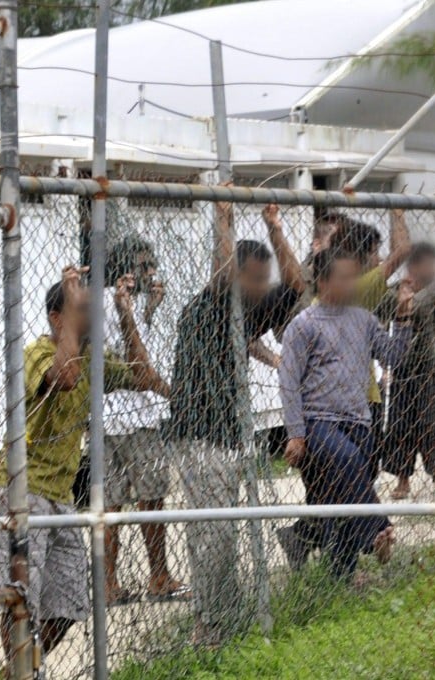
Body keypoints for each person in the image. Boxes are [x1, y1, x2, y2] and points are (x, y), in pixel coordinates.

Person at [0, 264, 168, 662]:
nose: (92, 317)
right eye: (81, 310)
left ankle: (18, 671)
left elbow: (142, 375)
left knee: (70, 602)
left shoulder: (93, 356)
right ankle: (21, 671)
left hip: (60, 494)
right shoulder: (37, 352)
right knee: (22, 600)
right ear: (58, 318)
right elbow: (65, 376)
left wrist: (125, 314)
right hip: (20, 490)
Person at [166, 201, 305, 647]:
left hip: (230, 434)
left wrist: (275, 228)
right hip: (199, 437)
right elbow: (222, 272)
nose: (265, 287)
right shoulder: (212, 305)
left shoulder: (248, 308)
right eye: (257, 278)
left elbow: (299, 285)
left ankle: (224, 617)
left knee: (224, 535)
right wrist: (223, 219)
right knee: (210, 537)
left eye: (266, 280)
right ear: (238, 274)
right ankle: (208, 626)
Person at [277, 209, 410, 567]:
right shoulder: (303, 325)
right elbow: (288, 381)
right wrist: (295, 434)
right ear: (323, 282)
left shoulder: (363, 319)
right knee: (347, 461)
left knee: (346, 491)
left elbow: (393, 356)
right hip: (320, 421)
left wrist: (404, 318)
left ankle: (342, 573)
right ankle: (379, 529)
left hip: (359, 420)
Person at [100, 235, 186, 605]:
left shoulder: (109, 301)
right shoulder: (116, 303)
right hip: (137, 417)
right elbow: (141, 366)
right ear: (127, 269)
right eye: (144, 265)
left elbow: (130, 346)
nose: (152, 272)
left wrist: (149, 310)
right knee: (151, 500)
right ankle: (159, 575)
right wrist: (176, 396)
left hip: (106, 419)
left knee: (109, 505)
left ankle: (107, 584)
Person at [376, 243, 435, 500]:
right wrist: (382, 367)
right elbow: (378, 328)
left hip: (430, 367)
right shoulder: (392, 293)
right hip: (401, 369)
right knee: (400, 427)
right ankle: (403, 481)